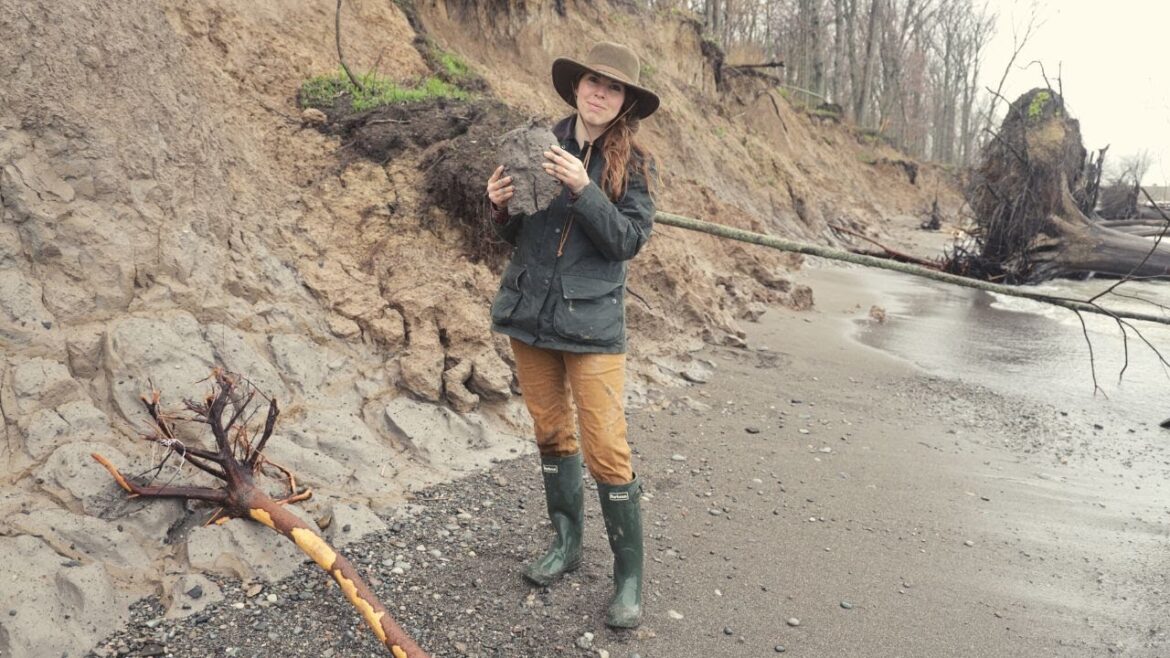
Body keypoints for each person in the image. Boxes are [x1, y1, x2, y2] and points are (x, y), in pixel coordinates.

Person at [483, 41, 659, 629]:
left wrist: (585, 189)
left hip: (592, 325)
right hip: (530, 314)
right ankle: (565, 544)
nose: (599, 93)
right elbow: (517, 236)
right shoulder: (538, 143)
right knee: (551, 432)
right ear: (577, 87)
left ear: (625, 100)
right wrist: (498, 208)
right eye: (592, 82)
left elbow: (627, 241)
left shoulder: (635, 165)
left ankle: (628, 579)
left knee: (606, 447)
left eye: (613, 87)